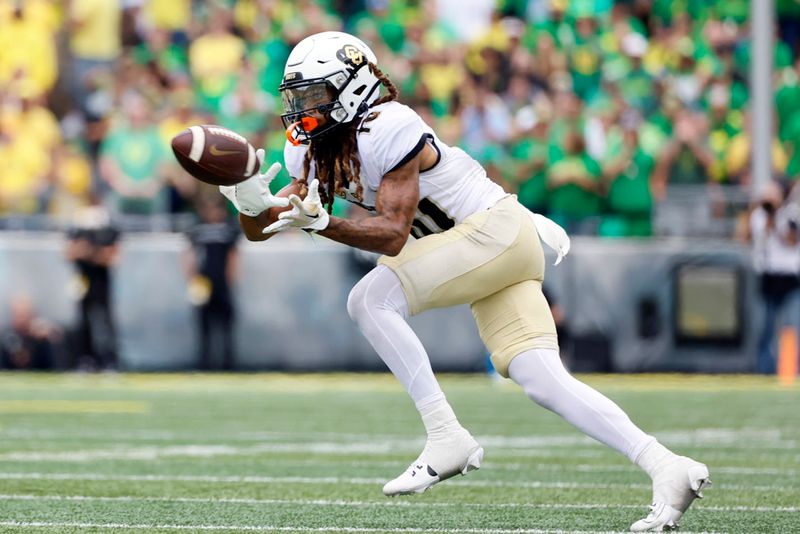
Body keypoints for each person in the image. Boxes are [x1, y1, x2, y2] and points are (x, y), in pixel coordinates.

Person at [217, 32, 711, 532]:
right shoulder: (311, 148)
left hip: (492, 231)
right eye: (297, 99)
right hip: (489, 251)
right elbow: (267, 227)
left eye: (314, 97)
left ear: (352, 87)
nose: (303, 111)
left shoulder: (389, 124)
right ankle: (667, 467)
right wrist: (249, 202)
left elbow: (391, 236)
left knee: (369, 300)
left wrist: (321, 223)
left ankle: (445, 433)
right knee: (542, 379)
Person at [183, 198, 241, 370]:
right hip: (204, 281)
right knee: (204, 322)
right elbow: (190, 255)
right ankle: (205, 361)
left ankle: (228, 361)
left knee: (226, 322)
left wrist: (232, 278)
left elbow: (233, 256)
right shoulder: (198, 230)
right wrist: (192, 278)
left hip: (222, 280)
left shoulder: (227, 230)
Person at [750, 181, 800, 374]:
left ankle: (790, 369)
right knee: (766, 327)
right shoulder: (759, 216)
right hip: (768, 276)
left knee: (791, 325)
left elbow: (790, 241)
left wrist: (777, 218)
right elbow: (748, 236)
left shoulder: (790, 214)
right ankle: (765, 369)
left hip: (790, 277)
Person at [65, 199, 120, 371]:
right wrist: (92, 252)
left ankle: (109, 360)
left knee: (105, 322)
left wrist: (90, 253)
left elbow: (111, 257)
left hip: (101, 284)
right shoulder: (78, 230)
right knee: (83, 322)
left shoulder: (107, 231)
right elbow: (70, 253)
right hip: (83, 283)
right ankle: (85, 359)